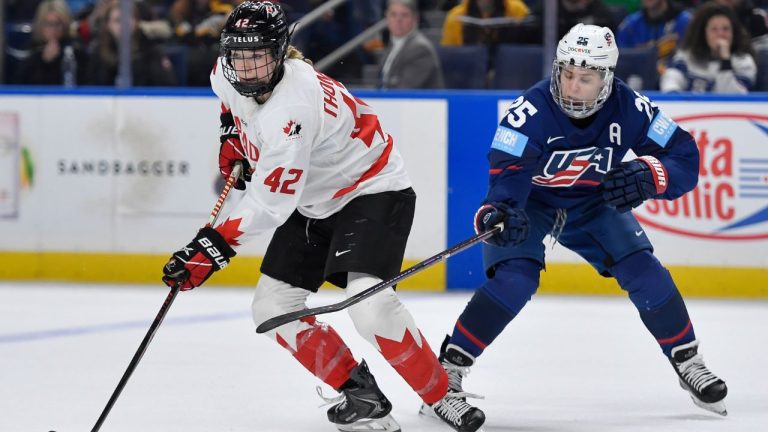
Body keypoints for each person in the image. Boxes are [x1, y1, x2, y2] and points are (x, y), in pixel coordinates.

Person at [160, 2, 485, 432]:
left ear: (279, 52)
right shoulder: (227, 75)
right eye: (239, 54)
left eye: (257, 54)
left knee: (370, 306)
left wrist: (211, 247)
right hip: (314, 198)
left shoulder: (292, 109)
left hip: (372, 190)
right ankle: (360, 392)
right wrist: (233, 134)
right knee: (271, 308)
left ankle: (440, 394)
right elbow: (231, 105)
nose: (247, 66)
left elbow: (270, 203)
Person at [425, 23, 729, 420]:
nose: (572, 88)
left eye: (585, 78)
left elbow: (684, 156)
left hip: (593, 202)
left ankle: (687, 360)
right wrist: (499, 215)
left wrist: (650, 175)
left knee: (644, 268)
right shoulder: (528, 114)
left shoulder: (630, 107)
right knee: (515, 278)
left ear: (607, 78)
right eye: (567, 74)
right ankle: (446, 371)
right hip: (533, 204)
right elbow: (504, 185)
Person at [660, 2, 756, 93]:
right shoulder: (687, 56)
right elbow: (671, 79)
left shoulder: (744, 62)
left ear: (733, 33)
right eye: (714, 29)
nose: (720, 34)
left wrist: (725, 61)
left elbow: (733, 98)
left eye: (726, 29)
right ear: (703, 33)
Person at [13, 0, 87, 86]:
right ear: (40, 25)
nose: (53, 29)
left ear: (65, 25)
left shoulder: (75, 51)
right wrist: (44, 62)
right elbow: (21, 86)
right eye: (48, 24)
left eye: (57, 24)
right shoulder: (31, 51)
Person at [379, 0, 445, 89]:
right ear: (387, 17)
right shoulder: (392, 45)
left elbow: (404, 90)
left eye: (404, 15)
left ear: (415, 19)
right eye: (393, 15)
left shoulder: (420, 49)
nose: (398, 20)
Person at [616, 0, 691, 75]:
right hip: (638, 79)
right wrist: (651, 50)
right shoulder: (629, 25)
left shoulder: (685, 22)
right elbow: (620, 59)